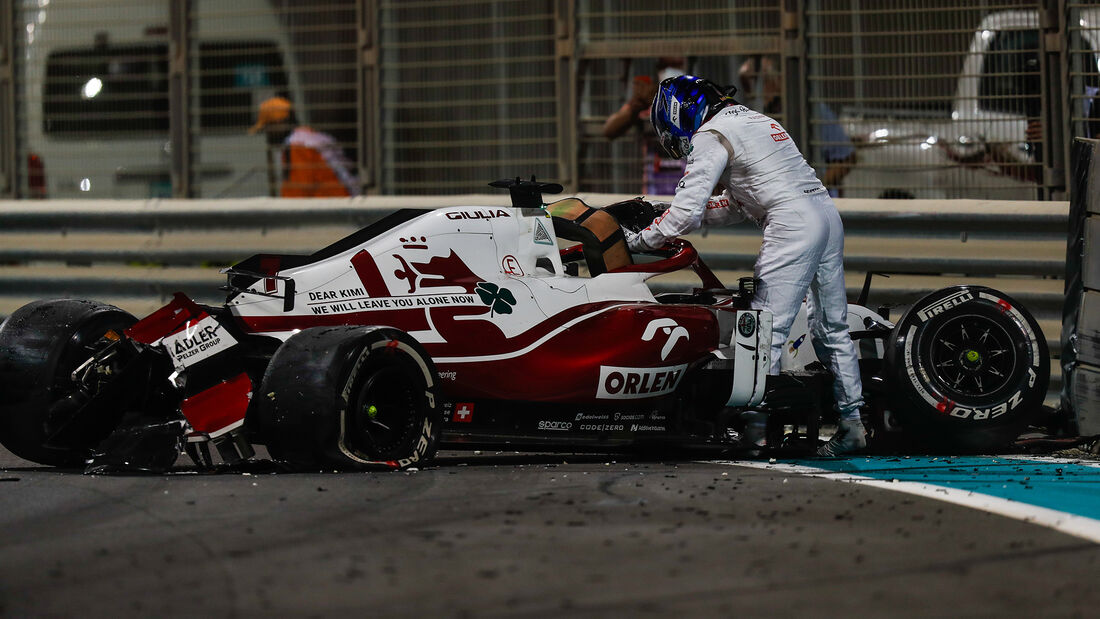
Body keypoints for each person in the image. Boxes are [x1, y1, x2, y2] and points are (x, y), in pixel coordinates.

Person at [625, 75, 866, 456]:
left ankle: (757, 432)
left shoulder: (710, 134)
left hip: (792, 224)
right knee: (830, 325)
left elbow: (686, 213)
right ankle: (853, 425)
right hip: (825, 214)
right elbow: (739, 202)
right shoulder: (754, 120)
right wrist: (667, 214)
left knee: (762, 327)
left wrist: (638, 241)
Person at [738, 55, 857, 197]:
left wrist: (812, 188)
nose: (752, 92)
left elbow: (847, 158)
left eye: (760, 82)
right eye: (746, 85)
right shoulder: (750, 116)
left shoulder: (813, 112)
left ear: (778, 81)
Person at [602, 57, 688, 195]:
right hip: (654, 184)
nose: (669, 71)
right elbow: (609, 130)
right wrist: (636, 105)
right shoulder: (646, 99)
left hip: (689, 180)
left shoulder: (692, 98)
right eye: (664, 66)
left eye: (675, 65)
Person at [249, 96, 361, 198]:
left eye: (267, 127)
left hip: (334, 205)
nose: (267, 134)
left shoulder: (298, 147)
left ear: (279, 123)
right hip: (343, 199)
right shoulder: (309, 137)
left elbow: (298, 192)